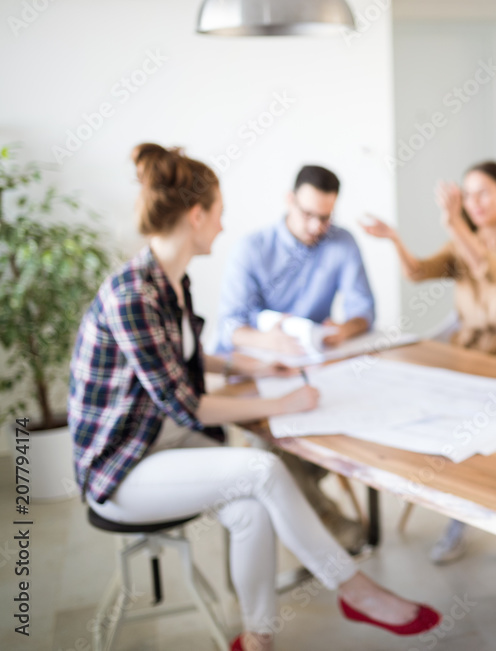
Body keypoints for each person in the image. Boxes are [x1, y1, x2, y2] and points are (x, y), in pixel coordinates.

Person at [69, 144, 440, 651]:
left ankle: (257, 639)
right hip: (122, 466)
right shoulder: (134, 293)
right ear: (196, 216)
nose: (223, 226)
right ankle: (355, 589)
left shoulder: (168, 281)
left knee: (253, 509)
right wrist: (282, 404)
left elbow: (186, 358)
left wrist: (253, 365)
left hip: (163, 442)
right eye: (218, 214)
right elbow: (190, 404)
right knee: (263, 470)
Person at [361, 160, 496, 563]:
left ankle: (490, 515)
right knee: (434, 418)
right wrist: (393, 237)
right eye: (468, 194)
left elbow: (483, 265)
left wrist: (452, 221)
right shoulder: (465, 238)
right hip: (465, 352)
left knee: (481, 430)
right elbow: (416, 272)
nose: (474, 203)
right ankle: (458, 513)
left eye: (483, 193)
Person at [214, 165, 376, 554]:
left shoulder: (342, 243)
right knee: (271, 446)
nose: (317, 226)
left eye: (325, 217)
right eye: (308, 215)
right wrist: (267, 340)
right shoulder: (252, 248)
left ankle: (299, 515)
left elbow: (364, 312)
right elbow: (228, 328)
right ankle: (334, 529)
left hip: (315, 369)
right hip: (257, 373)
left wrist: (342, 330)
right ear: (290, 200)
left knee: (348, 423)